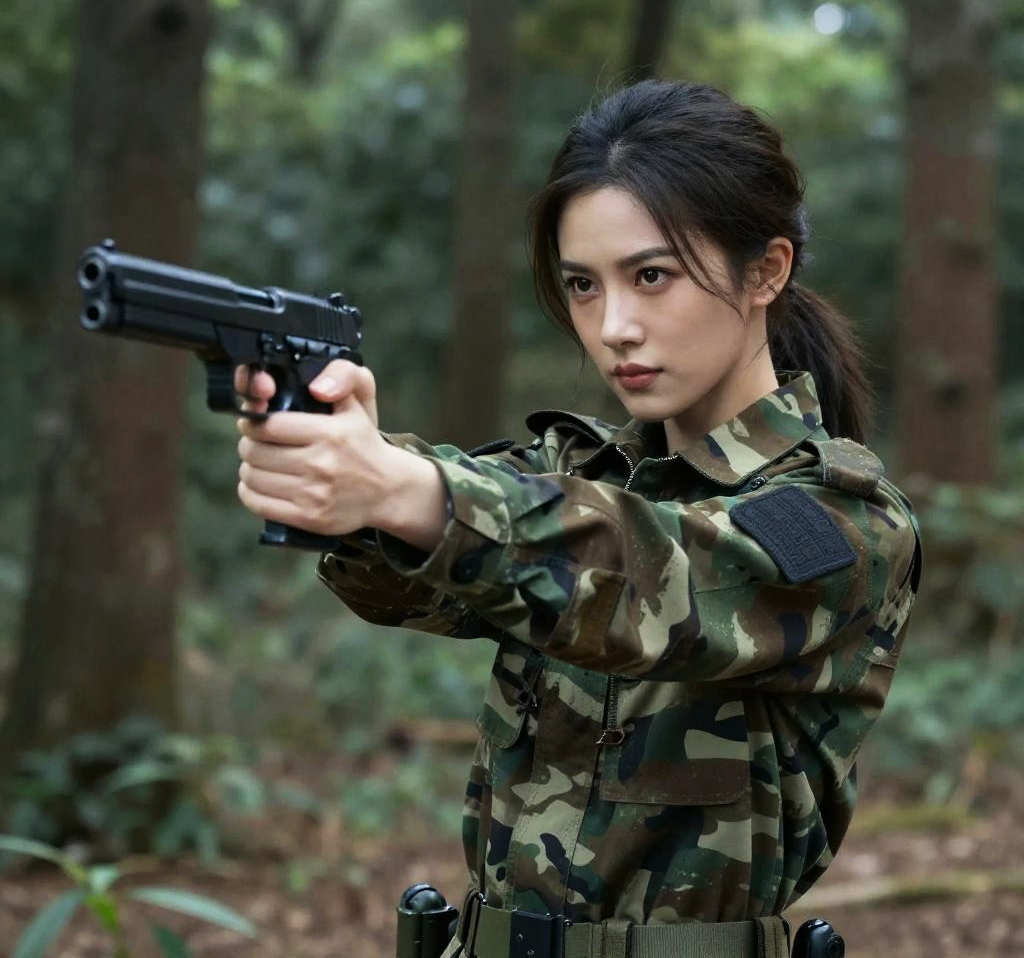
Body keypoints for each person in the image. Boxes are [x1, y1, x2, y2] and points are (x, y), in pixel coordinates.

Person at [235, 80, 922, 958]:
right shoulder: (568, 473)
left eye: (651, 276)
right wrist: (344, 470)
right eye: (583, 286)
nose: (614, 328)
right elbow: (419, 584)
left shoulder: (844, 520)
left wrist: (410, 491)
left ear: (767, 271)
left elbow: (662, 577)